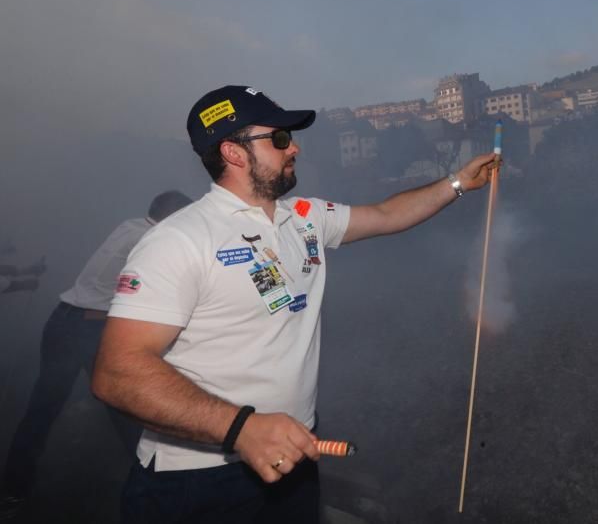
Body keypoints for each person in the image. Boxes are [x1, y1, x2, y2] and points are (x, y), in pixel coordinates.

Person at [91, 85, 498, 523]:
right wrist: (241, 429)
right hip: (198, 480)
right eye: (280, 138)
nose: (295, 146)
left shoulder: (303, 215)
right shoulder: (178, 241)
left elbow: (385, 214)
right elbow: (118, 373)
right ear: (233, 152)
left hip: (296, 455)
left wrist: (458, 182)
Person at [0, 192, 191, 518]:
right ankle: (159, 491)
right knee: (122, 407)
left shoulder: (131, 226)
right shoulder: (148, 241)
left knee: (43, 409)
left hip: (63, 320)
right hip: (85, 328)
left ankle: (13, 490)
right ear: (172, 219)